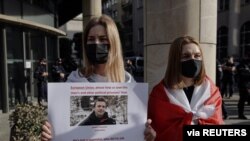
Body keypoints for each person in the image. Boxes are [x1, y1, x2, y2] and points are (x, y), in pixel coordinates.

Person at [41, 15, 154, 141]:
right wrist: (50, 135)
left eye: (102, 39)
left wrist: (147, 135)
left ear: (113, 43)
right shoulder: (74, 80)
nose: (96, 43)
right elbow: (62, 130)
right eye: (91, 39)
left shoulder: (128, 83)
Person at [145, 36, 224, 141]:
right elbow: (156, 132)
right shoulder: (159, 94)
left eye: (197, 56)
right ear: (175, 60)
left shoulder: (212, 92)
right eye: (186, 56)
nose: (193, 60)